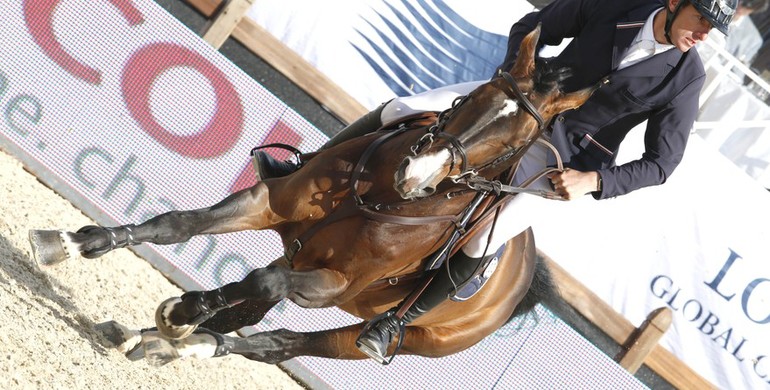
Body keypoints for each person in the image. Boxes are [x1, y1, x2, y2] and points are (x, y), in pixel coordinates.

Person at [254, 0, 736, 364]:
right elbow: (533, 26)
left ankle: (393, 323)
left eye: (713, 29)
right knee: (400, 108)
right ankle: (301, 165)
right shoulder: (618, 3)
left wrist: (592, 181)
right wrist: (515, 78)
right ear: (675, 1)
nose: (703, 34)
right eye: (701, 19)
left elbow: (662, 163)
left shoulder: (685, 78)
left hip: (561, 156)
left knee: (489, 233)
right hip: (515, 108)